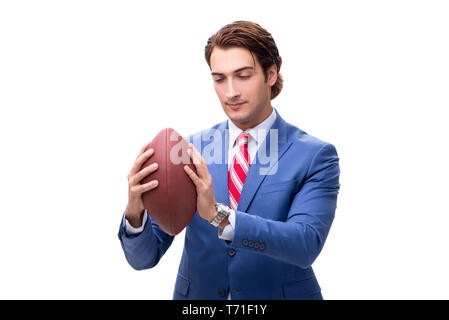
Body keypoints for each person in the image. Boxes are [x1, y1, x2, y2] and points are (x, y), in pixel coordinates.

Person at [118, 20, 340, 300]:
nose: (230, 92)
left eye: (243, 75)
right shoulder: (188, 151)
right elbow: (143, 259)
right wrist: (135, 213)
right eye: (219, 78)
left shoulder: (315, 156)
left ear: (271, 74)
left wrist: (218, 216)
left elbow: (305, 244)